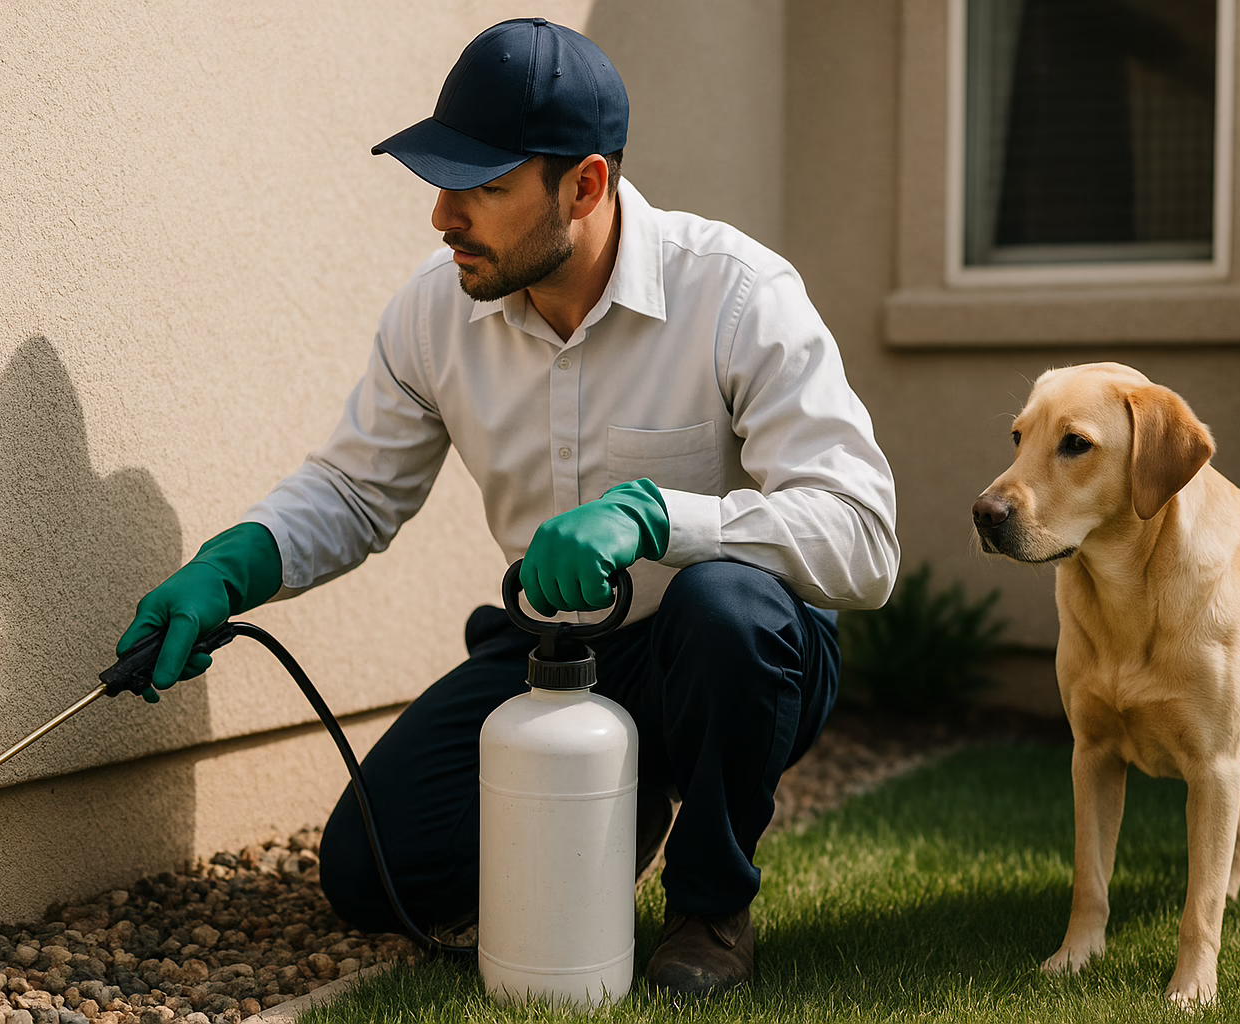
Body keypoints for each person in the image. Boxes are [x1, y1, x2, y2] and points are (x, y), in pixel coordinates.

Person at [117, 17, 898, 995]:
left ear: (586, 185)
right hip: (556, 652)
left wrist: (660, 519)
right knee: (373, 872)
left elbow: (865, 539)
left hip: (728, 654)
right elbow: (358, 488)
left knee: (726, 609)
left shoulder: (737, 295)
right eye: (442, 180)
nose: (443, 215)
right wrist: (228, 568)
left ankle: (710, 907)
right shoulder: (433, 311)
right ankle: (617, 804)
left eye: (482, 186)